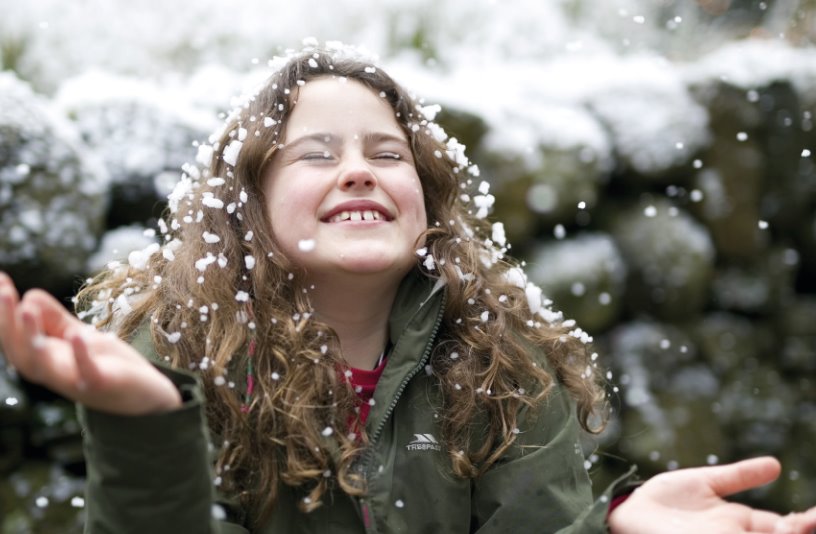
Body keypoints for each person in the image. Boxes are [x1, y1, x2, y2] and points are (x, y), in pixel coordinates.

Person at [0, 43, 814, 534]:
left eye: (387, 155)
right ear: (244, 204)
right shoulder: (175, 353)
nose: (357, 167)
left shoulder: (505, 356)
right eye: (315, 153)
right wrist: (144, 428)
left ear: (430, 200)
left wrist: (609, 525)